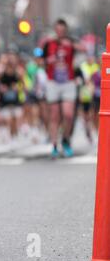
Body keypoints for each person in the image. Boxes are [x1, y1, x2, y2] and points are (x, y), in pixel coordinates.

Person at [42, 19, 85, 158]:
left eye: (62, 30)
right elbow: (40, 59)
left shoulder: (70, 42)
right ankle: (54, 144)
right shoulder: (49, 43)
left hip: (68, 81)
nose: (60, 32)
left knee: (68, 114)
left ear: (65, 30)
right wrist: (49, 60)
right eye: (57, 30)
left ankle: (66, 139)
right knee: (54, 115)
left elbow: (84, 49)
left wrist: (72, 45)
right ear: (55, 30)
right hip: (53, 81)